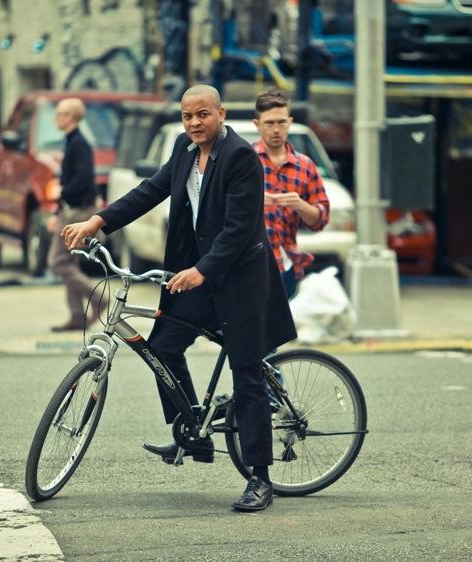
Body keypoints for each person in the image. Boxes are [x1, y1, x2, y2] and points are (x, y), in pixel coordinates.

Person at [60, 84, 297, 512]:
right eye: (188, 116)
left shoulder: (240, 156)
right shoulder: (184, 149)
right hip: (198, 276)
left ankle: (260, 479)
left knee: (246, 374)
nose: (193, 123)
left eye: (202, 115)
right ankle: (193, 432)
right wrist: (97, 221)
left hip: (240, 279)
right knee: (164, 346)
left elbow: (240, 228)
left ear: (221, 113)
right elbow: (150, 190)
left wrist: (202, 270)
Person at [253, 88, 330, 298]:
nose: (276, 129)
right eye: (269, 123)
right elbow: (218, 208)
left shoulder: (305, 166)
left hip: (287, 266)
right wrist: (253, 203)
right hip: (248, 264)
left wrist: (300, 205)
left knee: (279, 330)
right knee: (250, 329)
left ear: (290, 122)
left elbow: (320, 220)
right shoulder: (243, 161)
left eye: (281, 122)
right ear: (257, 125)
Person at [48, 98, 101, 332]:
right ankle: (77, 315)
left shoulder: (79, 144)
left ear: (70, 117)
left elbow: (83, 179)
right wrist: (57, 209)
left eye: (60, 114)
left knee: (58, 261)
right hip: (70, 209)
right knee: (70, 263)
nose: (56, 119)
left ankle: (98, 298)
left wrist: (62, 192)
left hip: (78, 211)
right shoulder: (70, 141)